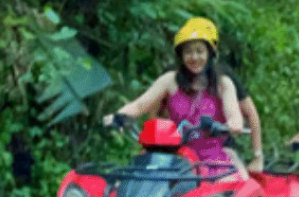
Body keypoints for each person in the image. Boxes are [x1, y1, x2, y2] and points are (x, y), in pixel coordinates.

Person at [103, 17, 248, 177]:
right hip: (172, 158)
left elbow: (235, 119)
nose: (194, 57)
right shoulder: (170, 80)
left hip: (212, 161)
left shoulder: (223, 84)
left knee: (232, 192)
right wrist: (118, 116)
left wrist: (228, 126)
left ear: (210, 54)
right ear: (181, 55)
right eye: (188, 51)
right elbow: (139, 105)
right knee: (130, 182)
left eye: (199, 51)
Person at [217, 60, 265, 173]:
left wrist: (258, 156)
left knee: (240, 180)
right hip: (182, 148)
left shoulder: (222, 76)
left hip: (222, 147)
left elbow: (251, 113)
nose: (195, 58)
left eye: (200, 51)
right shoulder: (175, 77)